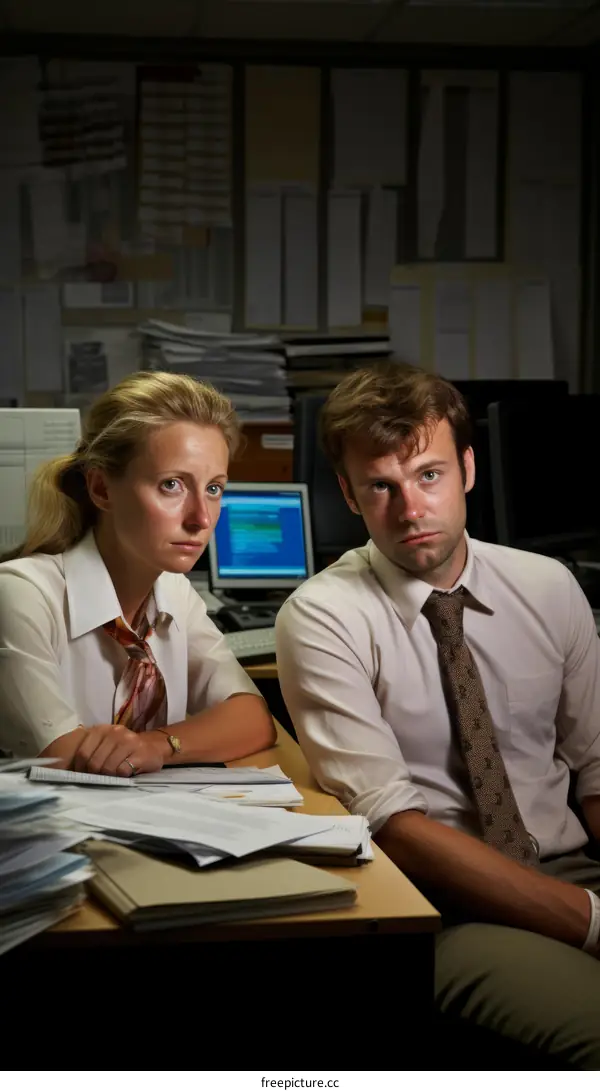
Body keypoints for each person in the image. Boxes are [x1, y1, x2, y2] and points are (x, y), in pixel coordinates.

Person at [275, 362, 600, 1069]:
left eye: (429, 475)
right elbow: (394, 823)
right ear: (349, 495)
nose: (410, 509)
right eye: (380, 486)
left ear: (468, 469)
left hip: (575, 872)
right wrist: (592, 922)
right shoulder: (322, 616)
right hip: (446, 907)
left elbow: (597, 771)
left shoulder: (549, 587)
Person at [0, 371, 275, 774]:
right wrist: (170, 746)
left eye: (214, 488)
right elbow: (65, 757)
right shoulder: (22, 593)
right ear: (101, 489)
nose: (201, 519)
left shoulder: (174, 592)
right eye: (172, 485)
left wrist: (157, 745)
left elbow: (253, 719)